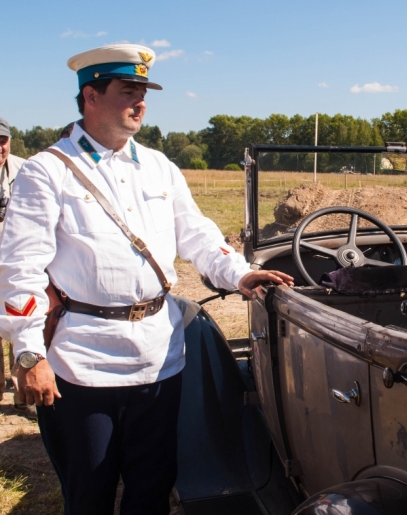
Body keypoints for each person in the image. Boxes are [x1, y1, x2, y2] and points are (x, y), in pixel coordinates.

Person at [0, 44, 294, 515]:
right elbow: (20, 268)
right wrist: (30, 351)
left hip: (159, 360)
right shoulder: (47, 171)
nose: (140, 102)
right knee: (90, 493)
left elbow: (197, 234)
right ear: (90, 96)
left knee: (153, 487)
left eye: (144, 92)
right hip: (83, 361)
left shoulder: (160, 166)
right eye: (128, 90)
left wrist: (240, 272)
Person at [0, 119, 32, 416]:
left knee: (20, 319)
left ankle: (22, 390)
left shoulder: (24, 170)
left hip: (17, 258)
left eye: (2, 141)